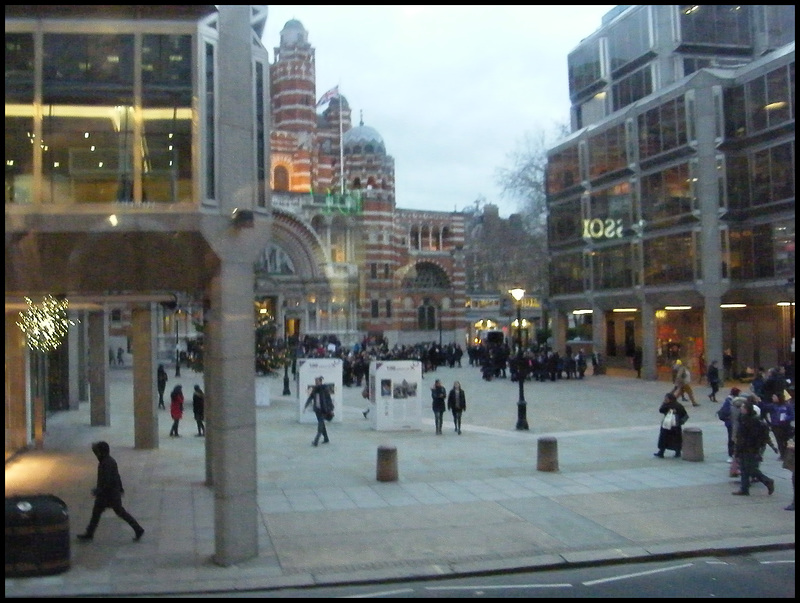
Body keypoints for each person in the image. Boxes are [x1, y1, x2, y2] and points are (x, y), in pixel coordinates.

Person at [77, 441, 144, 542]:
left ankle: (138, 529)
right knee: (99, 512)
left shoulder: (106, 463)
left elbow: (107, 481)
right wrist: (120, 488)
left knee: (117, 512)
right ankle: (90, 533)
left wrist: (98, 490)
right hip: (110, 494)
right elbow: (117, 476)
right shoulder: (108, 461)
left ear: (102, 452)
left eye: (97, 452)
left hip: (109, 495)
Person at [732, 399, 775, 496]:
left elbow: (750, 437)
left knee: (750, 468)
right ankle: (744, 488)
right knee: (743, 468)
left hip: (749, 448)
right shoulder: (743, 419)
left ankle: (767, 481)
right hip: (744, 448)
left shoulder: (752, 421)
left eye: (743, 408)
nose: (741, 409)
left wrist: (746, 446)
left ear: (747, 410)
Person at [654, 392, 689, 458]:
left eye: (666, 399)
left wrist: (680, 421)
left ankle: (670, 452)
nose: (665, 400)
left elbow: (685, 415)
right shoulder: (673, 405)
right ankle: (666, 451)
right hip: (671, 425)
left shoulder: (676, 406)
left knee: (669, 438)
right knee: (669, 438)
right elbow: (661, 410)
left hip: (671, 425)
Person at [762, 391, 794, 460]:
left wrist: (786, 418)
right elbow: (764, 409)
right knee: (779, 441)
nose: (772, 398)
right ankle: (782, 454)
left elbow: (792, 415)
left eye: (774, 397)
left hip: (785, 426)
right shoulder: (772, 406)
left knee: (785, 440)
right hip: (776, 426)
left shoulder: (787, 406)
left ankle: (786, 453)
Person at [304, 376, 333, 446]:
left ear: (320, 382)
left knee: (320, 425)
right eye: (315, 382)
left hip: (324, 410)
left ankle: (316, 441)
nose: (316, 383)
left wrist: (330, 409)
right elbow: (310, 398)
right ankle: (326, 438)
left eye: (317, 382)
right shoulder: (314, 390)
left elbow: (329, 400)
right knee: (322, 424)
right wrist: (305, 406)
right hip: (317, 410)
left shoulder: (324, 389)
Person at [716, 387, 741, 463]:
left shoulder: (729, 401)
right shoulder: (731, 402)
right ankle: (732, 454)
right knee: (732, 439)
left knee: (732, 439)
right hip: (732, 423)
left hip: (730, 423)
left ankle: (733, 454)